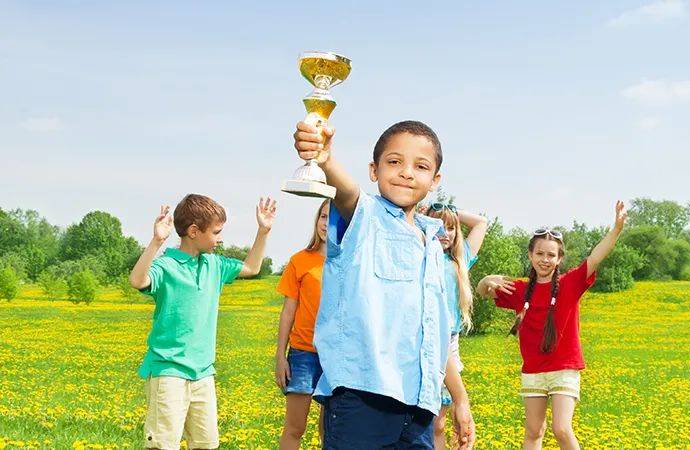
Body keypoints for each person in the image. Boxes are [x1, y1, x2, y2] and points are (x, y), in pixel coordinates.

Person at [292, 119, 476, 449]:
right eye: (394, 162)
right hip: (362, 399)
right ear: (373, 170)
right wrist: (325, 157)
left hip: (420, 407)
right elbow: (347, 192)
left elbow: (435, 334)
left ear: (435, 180)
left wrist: (460, 399)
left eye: (420, 166)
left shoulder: (434, 245)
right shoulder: (363, 217)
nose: (406, 172)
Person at [129, 194, 277, 450]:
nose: (220, 239)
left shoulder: (214, 265)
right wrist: (156, 242)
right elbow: (137, 281)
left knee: (207, 444)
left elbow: (252, 268)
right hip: (168, 372)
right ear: (194, 231)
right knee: (162, 445)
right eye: (216, 232)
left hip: (203, 374)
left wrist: (263, 231)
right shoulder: (166, 266)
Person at [476, 201, 627, 450]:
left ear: (559, 259)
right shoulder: (520, 289)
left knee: (561, 428)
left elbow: (597, 255)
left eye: (551, 255)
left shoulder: (571, 284)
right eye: (540, 254)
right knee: (534, 431)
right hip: (533, 370)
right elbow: (484, 293)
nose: (545, 260)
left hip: (564, 368)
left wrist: (617, 229)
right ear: (530, 255)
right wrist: (485, 280)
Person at [424, 203, 487, 450]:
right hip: (426, 337)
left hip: (450, 341)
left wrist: (448, 212)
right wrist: (426, 217)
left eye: (451, 228)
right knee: (426, 418)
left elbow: (481, 222)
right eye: (439, 226)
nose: (445, 233)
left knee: (439, 421)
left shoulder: (460, 260)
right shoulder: (420, 254)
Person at [274, 200, 330, 449]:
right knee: (295, 428)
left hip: (338, 356)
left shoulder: (351, 262)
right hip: (303, 353)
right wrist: (280, 356)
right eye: (323, 217)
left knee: (330, 430)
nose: (327, 224)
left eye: (334, 218)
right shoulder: (300, 260)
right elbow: (288, 311)